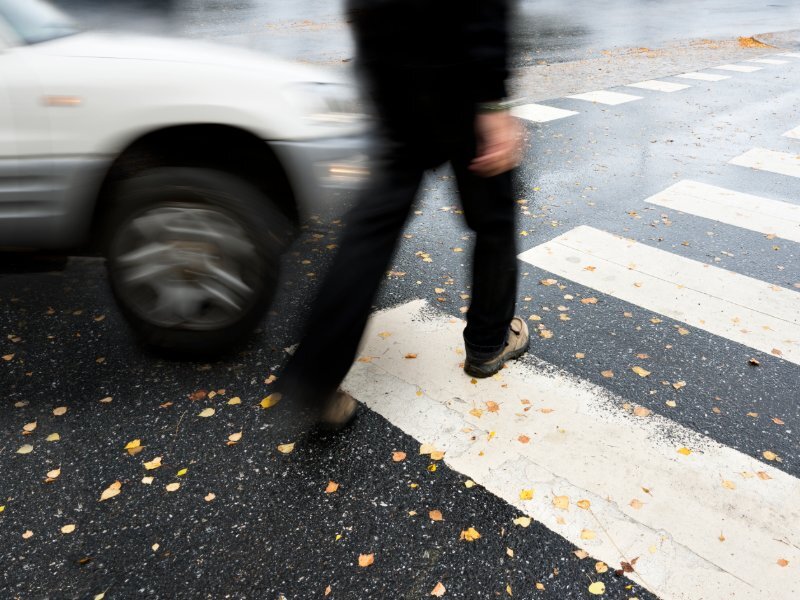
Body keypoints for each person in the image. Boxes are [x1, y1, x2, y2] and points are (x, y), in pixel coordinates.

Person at [276, 0, 527, 428]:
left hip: (388, 62)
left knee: (373, 228)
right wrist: (492, 103)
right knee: (494, 218)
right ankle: (488, 343)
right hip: (456, 66)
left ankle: (314, 376)